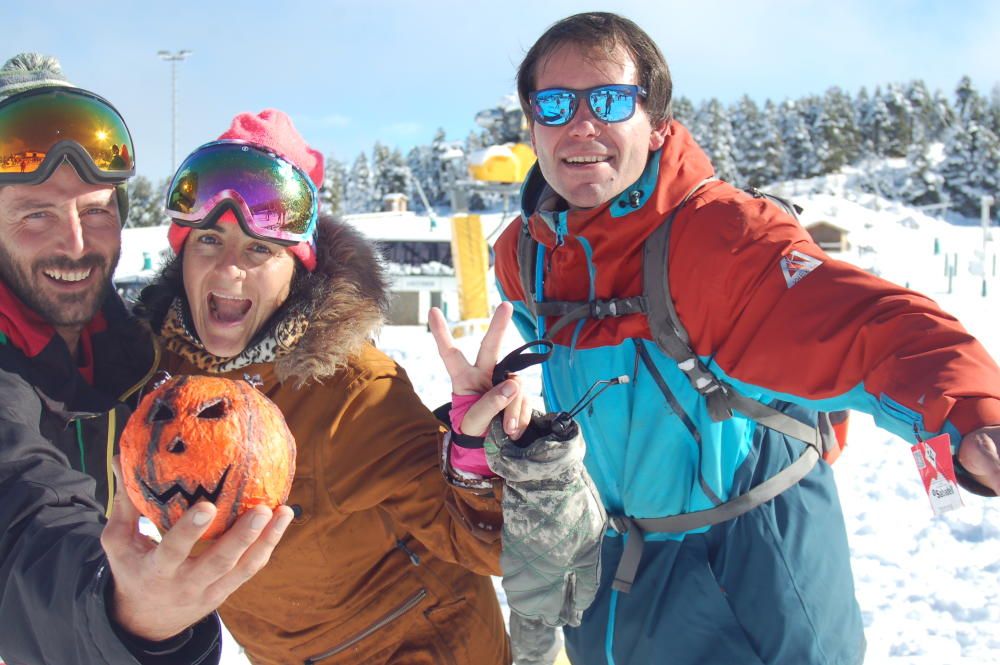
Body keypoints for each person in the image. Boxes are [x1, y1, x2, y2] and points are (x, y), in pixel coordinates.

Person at [490, 13, 1000, 665]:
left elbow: (873, 326)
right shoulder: (525, 255)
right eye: (556, 103)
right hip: (610, 583)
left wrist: (973, 412)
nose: (581, 124)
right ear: (534, 124)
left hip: (746, 584)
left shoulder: (724, 240)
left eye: (611, 99)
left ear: (659, 123)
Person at [136, 109, 517, 665]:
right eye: (209, 241)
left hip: (423, 647)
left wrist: (475, 460)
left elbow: (491, 546)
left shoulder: (351, 391)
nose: (228, 272)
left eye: (259, 250)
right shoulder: (160, 378)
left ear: (297, 268)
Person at [0, 53, 292, 665]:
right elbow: (20, 517)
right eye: (36, 214)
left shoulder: (140, 350)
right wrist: (119, 611)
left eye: (96, 210)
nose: (76, 245)